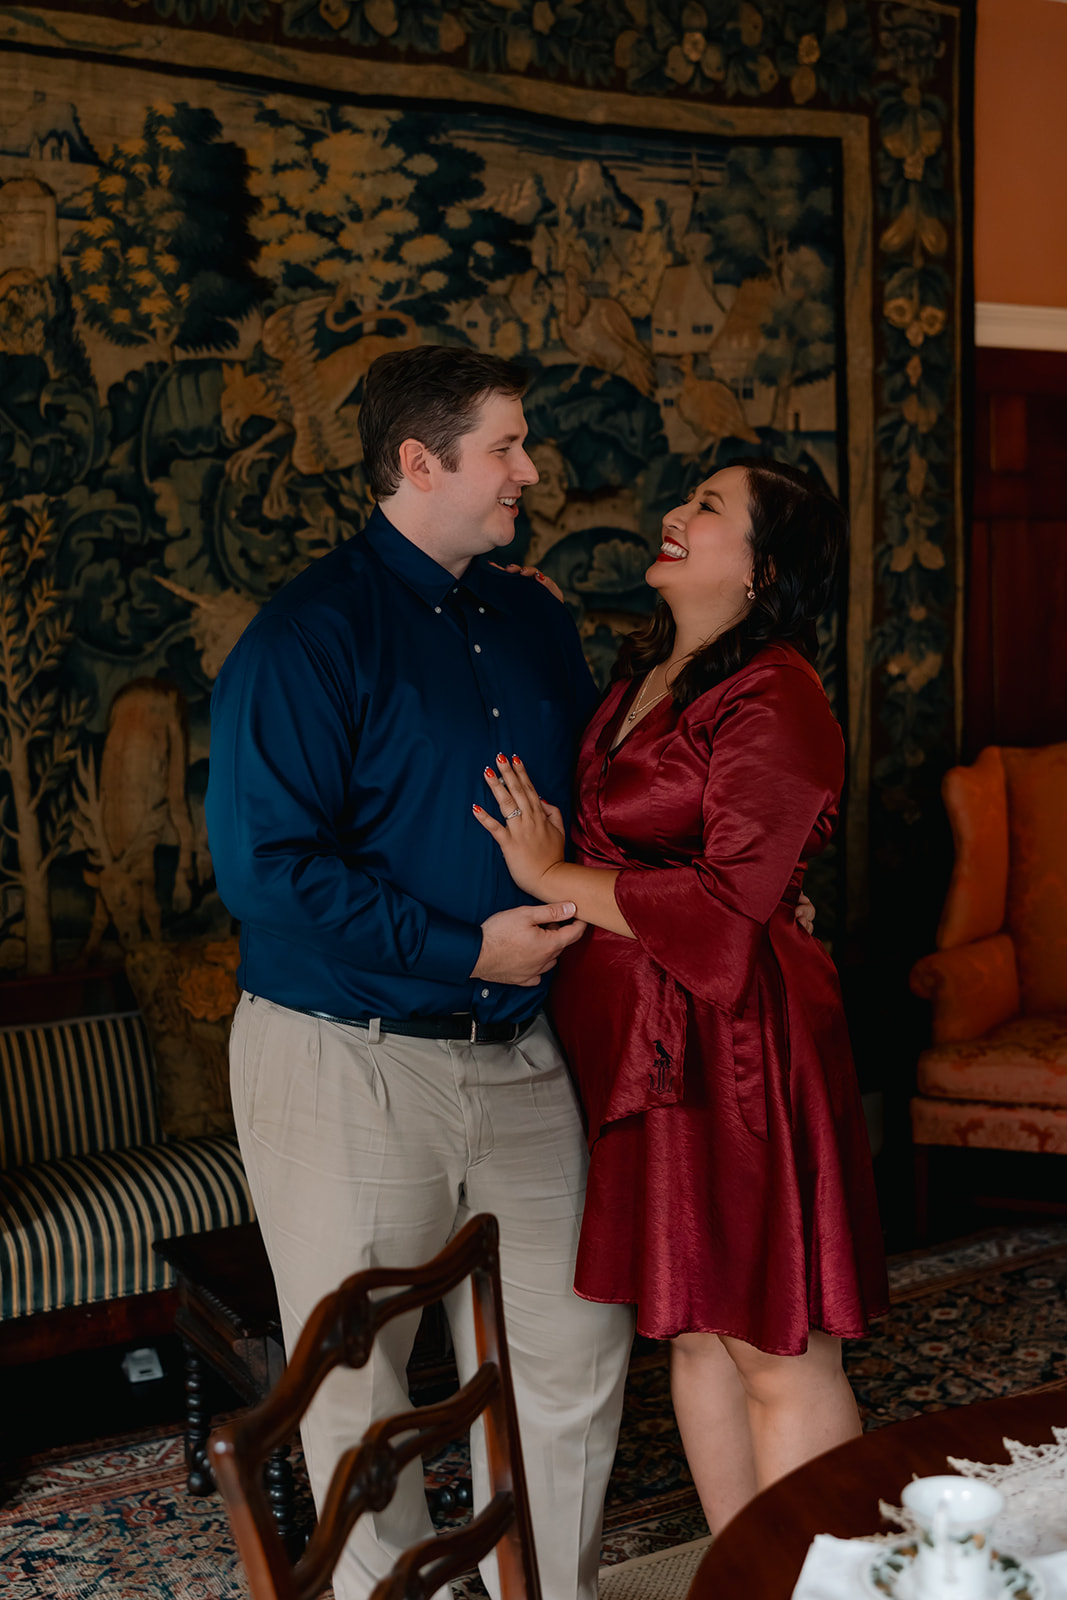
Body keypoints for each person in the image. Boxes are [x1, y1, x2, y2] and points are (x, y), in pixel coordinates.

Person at [204, 345, 635, 1600]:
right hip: (346, 1059)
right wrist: (466, 945)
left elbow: (594, 799)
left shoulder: (532, 614)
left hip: (519, 1056)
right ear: (418, 460)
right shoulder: (306, 635)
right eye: (505, 446)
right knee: (358, 1386)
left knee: (574, 1349)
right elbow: (268, 870)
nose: (528, 469)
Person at [473, 458, 890, 1535]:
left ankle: (826, 1578)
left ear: (761, 570)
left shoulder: (777, 692)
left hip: (740, 1051)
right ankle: (739, 1576)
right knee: (697, 1333)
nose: (674, 511)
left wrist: (550, 876)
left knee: (775, 1346)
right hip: (652, 1053)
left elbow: (722, 910)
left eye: (707, 507)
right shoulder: (648, 673)